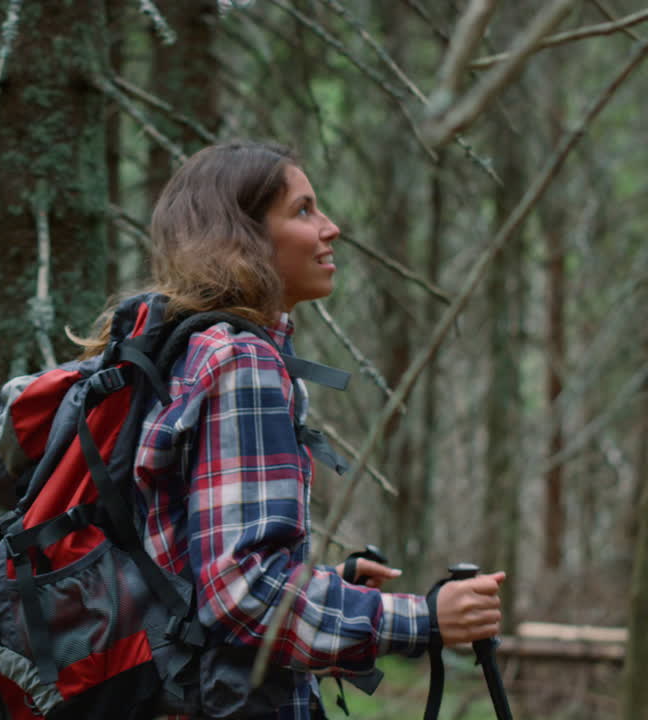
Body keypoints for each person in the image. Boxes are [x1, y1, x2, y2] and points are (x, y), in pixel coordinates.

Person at [73, 141, 506, 719]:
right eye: (303, 211)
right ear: (242, 237)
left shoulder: (183, 349)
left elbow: (189, 569)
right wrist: (423, 620)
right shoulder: (239, 360)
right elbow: (243, 595)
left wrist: (329, 582)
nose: (331, 228)